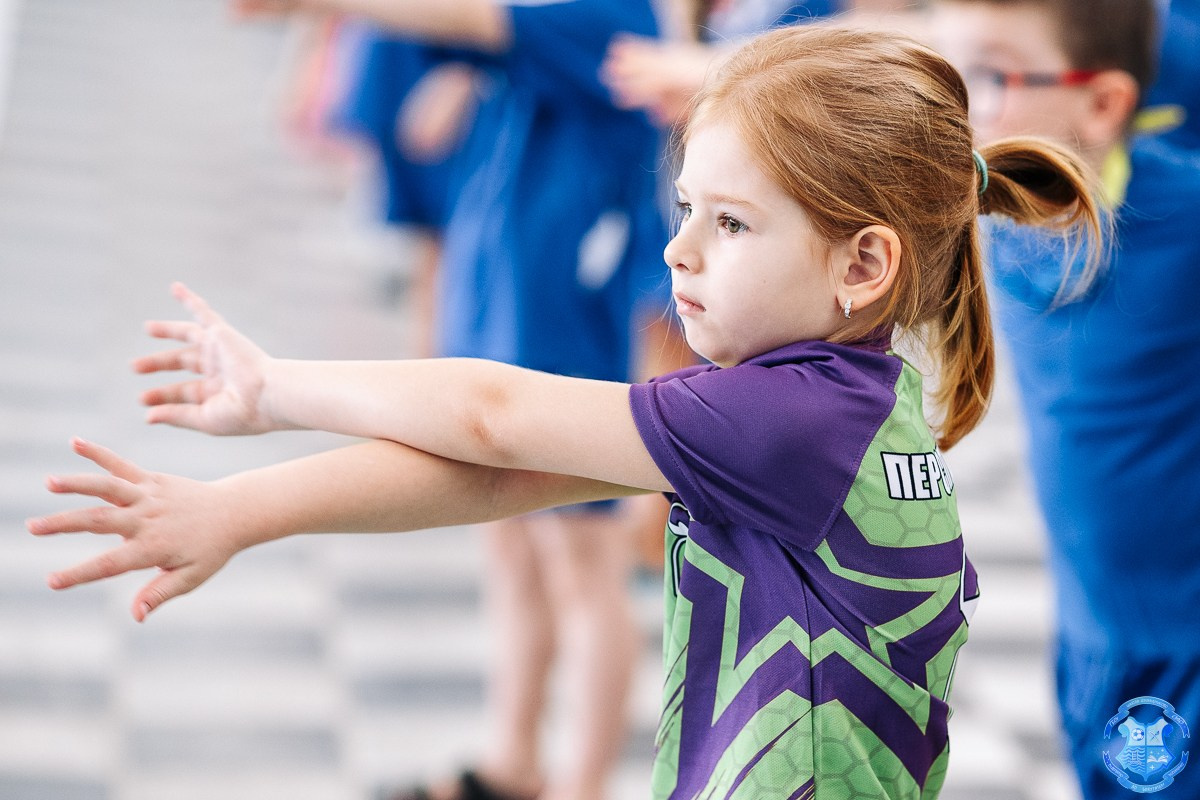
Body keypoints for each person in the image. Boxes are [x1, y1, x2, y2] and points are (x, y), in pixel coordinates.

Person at [29, 23, 1105, 800]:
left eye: (731, 223)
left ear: (863, 263)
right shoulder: (828, 409)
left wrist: (277, 390)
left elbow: (494, 415)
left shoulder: (788, 425)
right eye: (685, 209)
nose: (679, 250)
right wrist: (240, 511)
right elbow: (506, 476)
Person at [235, 3, 674, 800]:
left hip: (565, 313)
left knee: (583, 566)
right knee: (510, 545)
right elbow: (482, 47)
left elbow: (481, 21)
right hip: (504, 298)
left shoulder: (608, 9)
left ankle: (583, 786)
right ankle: (513, 763)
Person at [930, 1, 1200, 797]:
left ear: (1105, 104)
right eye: (952, 74)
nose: (958, 110)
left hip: (1185, 645)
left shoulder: (1183, 219)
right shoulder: (990, 198)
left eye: (990, 76)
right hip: (1087, 642)